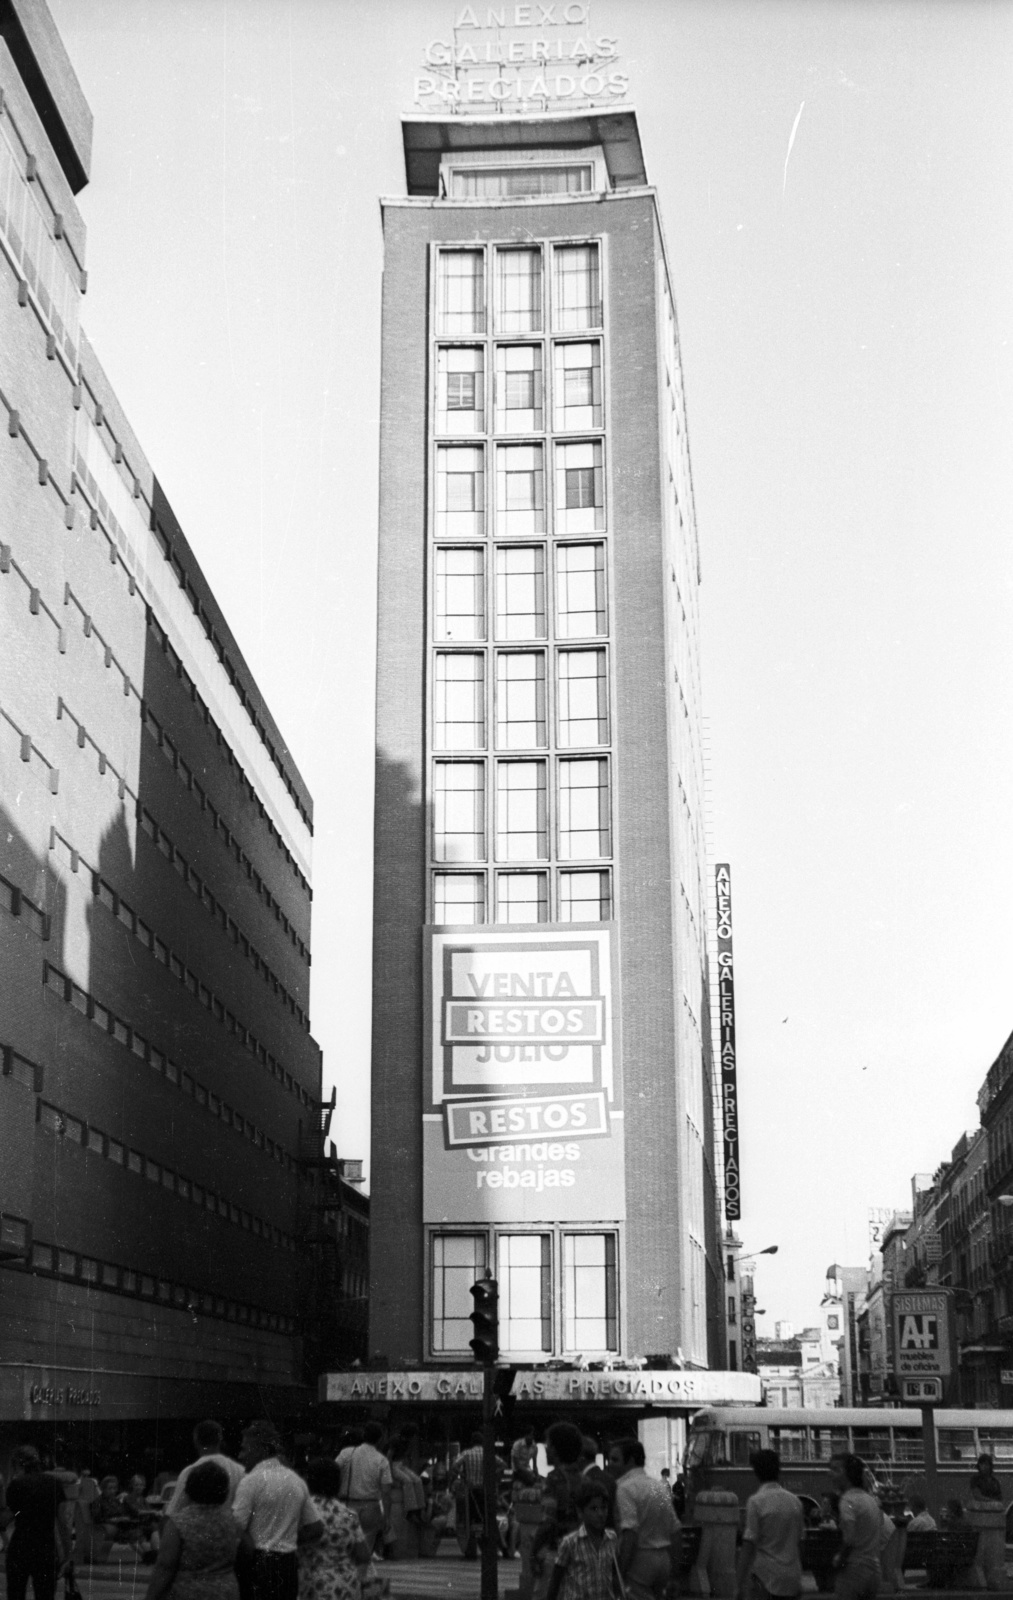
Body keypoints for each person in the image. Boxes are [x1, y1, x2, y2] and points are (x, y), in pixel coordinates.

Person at [232, 1421, 323, 1600]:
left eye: (245, 1448)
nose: (241, 1455)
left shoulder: (251, 1481)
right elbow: (316, 1528)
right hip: (288, 1564)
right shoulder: (295, 1481)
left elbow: (236, 1527)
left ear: (261, 1450)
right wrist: (288, 1536)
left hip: (257, 1563)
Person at [145, 1461, 245, 1600]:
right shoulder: (233, 1521)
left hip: (188, 1591)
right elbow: (244, 1552)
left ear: (191, 1487)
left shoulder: (178, 1523)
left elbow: (165, 1566)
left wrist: (152, 1596)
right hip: (226, 1592)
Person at [607, 1438, 681, 1600]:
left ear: (631, 1460)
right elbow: (675, 1529)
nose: (610, 1464)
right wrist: (675, 1572)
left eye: (615, 1459)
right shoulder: (658, 1487)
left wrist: (620, 1570)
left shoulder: (624, 1488)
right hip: (663, 1558)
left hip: (639, 1560)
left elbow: (630, 1532)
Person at [2, 1445, 70, 1600]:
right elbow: (63, 1522)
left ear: (18, 1465)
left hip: (21, 1546)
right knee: (45, 1593)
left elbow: (9, 1516)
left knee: (16, 1593)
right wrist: (67, 1554)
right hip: (45, 1547)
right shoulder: (53, 1483)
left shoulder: (17, 1485)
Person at [735, 1449, 804, 1600]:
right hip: (792, 1577)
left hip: (765, 1578)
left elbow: (748, 1546)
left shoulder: (756, 1501)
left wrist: (738, 1584)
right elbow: (799, 1541)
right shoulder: (795, 1501)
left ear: (756, 1472)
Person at [297, 1458, 368, 1600]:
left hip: (311, 1583)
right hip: (346, 1583)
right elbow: (363, 1554)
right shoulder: (348, 1513)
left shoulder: (302, 1510)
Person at [546, 1479, 619, 1600]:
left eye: (604, 1508)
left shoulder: (611, 1538)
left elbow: (614, 1574)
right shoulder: (570, 1543)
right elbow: (555, 1580)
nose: (601, 1513)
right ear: (580, 1512)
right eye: (594, 1509)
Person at [827, 1455, 881, 1600]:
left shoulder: (847, 1500)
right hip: (873, 1570)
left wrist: (839, 1559)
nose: (830, 1473)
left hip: (853, 1571)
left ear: (848, 1474)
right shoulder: (870, 1500)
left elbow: (849, 1538)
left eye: (836, 1469)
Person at [168, 1423, 246, 1518]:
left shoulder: (190, 1471)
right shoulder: (240, 1470)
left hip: (199, 1530)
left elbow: (174, 1511)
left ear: (195, 1440)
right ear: (220, 1439)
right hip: (230, 1529)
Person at [342, 1422, 391, 1561]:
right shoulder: (382, 1460)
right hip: (371, 1506)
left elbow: (333, 1470)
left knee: (348, 1544)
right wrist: (386, 1517)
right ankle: (360, 1575)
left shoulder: (347, 1453)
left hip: (350, 1504)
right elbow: (386, 1492)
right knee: (366, 1545)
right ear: (380, 1439)